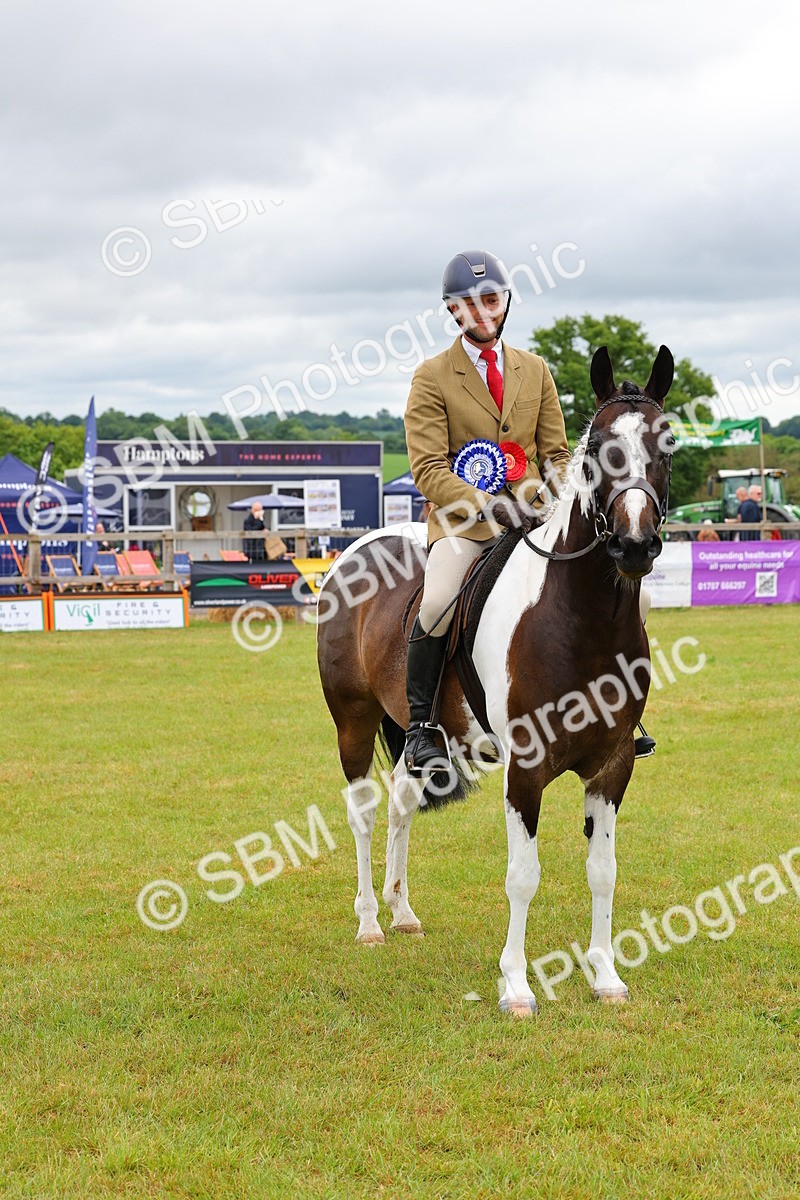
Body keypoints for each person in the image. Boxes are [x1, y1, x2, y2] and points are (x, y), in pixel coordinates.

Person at [403, 250, 572, 773]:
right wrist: (487, 506)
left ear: (504, 303)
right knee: (436, 603)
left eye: (491, 299)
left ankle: (615, 716)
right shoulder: (432, 377)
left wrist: (564, 498)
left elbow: (557, 454)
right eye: (469, 303)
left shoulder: (535, 369)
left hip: (534, 521)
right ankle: (421, 727)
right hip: (464, 528)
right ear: (453, 311)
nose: (482, 311)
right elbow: (428, 468)